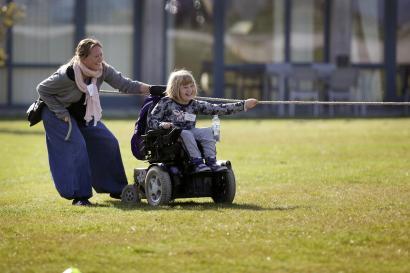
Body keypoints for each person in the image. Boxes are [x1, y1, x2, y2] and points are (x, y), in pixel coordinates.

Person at [37, 38, 152, 206]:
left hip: (84, 113)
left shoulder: (102, 70)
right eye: (96, 56)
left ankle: (116, 188)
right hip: (57, 113)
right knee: (77, 146)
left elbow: (125, 84)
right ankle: (80, 196)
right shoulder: (67, 74)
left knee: (108, 141)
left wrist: (152, 89)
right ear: (83, 58)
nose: (100, 59)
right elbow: (42, 89)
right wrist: (61, 112)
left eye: (101, 55)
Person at [147, 69, 258, 172]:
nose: (190, 90)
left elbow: (218, 108)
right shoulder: (165, 102)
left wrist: (244, 105)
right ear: (175, 88)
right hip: (170, 136)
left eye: (192, 86)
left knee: (208, 131)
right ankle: (197, 163)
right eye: (185, 87)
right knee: (186, 133)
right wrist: (162, 125)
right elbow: (151, 121)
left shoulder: (194, 104)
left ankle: (211, 161)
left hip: (190, 132)